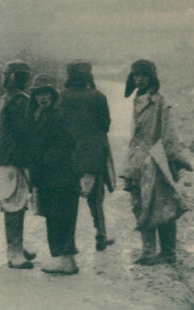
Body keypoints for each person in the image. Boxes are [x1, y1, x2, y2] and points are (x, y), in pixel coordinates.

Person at [121, 60, 192, 265]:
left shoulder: (160, 102)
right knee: (140, 204)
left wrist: (174, 159)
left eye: (144, 75)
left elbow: (169, 132)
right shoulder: (137, 99)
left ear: (152, 78)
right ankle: (148, 251)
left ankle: (169, 252)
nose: (140, 79)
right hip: (137, 160)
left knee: (163, 204)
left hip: (156, 160)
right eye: (136, 76)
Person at [0, 60, 36, 269]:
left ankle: (18, 247)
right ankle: (14, 252)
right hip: (13, 161)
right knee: (14, 205)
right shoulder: (20, 102)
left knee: (15, 204)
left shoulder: (4, 100)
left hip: (7, 160)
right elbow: (27, 134)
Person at [59, 60, 115, 251]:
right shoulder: (98, 96)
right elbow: (106, 125)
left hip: (68, 157)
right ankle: (101, 235)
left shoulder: (62, 97)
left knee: (69, 202)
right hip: (94, 155)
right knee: (96, 200)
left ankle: (69, 243)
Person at [27, 73, 81, 275]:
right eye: (38, 94)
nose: (42, 97)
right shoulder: (42, 115)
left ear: (53, 93)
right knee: (55, 216)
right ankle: (62, 259)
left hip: (61, 176)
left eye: (45, 93)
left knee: (61, 216)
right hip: (52, 177)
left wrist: (45, 161)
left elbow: (65, 143)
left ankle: (65, 260)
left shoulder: (58, 115)